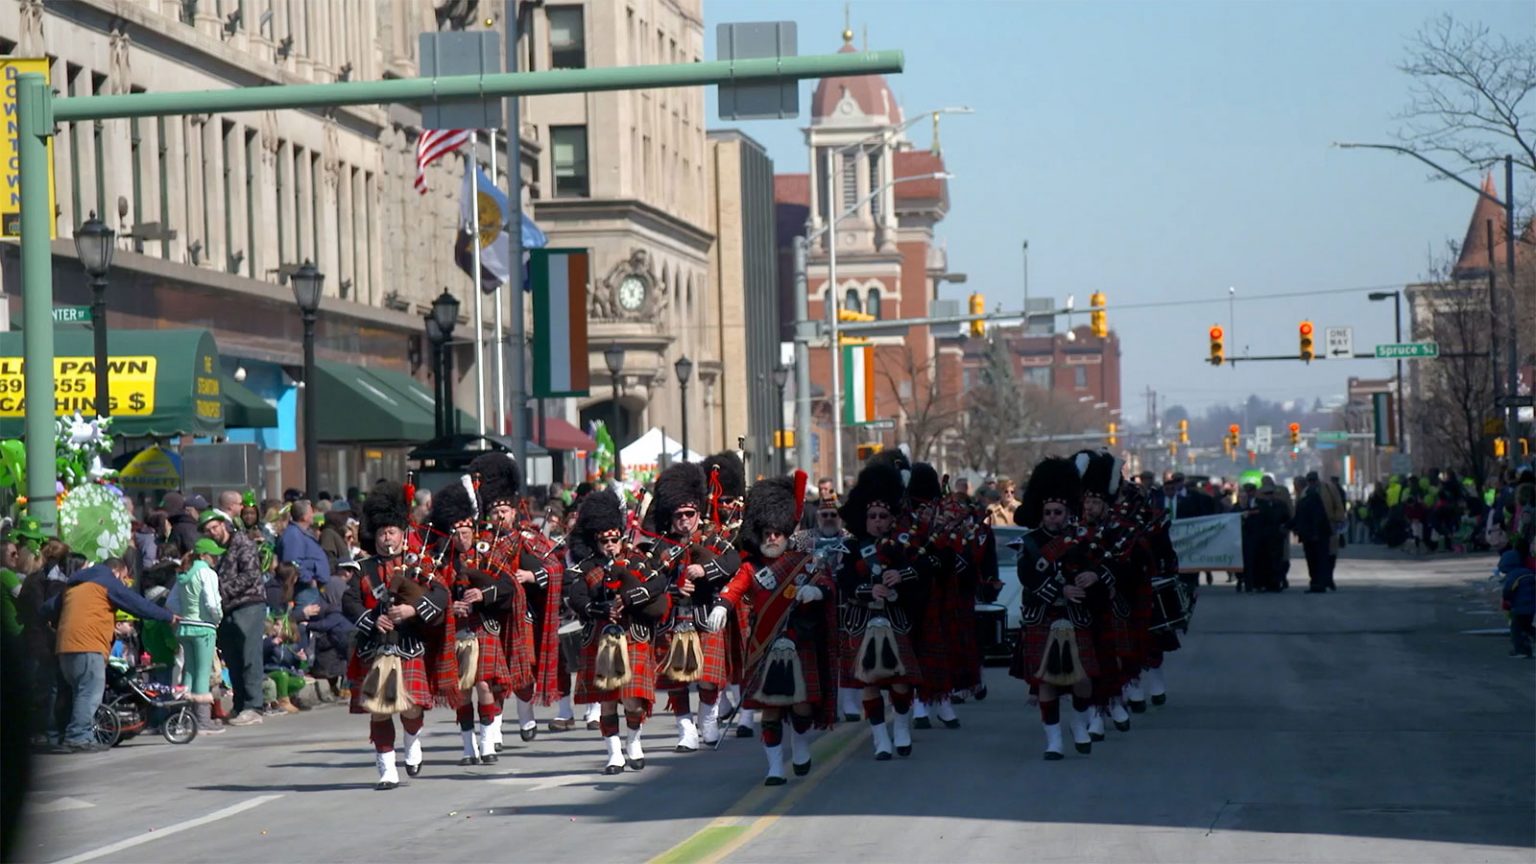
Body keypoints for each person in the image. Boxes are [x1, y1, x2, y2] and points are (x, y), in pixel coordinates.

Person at [344, 481, 458, 790]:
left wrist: (413, 610)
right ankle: (386, 770)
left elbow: (441, 594)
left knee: (411, 707)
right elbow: (350, 602)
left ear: (402, 533)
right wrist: (372, 619)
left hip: (408, 645)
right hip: (375, 648)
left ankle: (412, 741)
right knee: (380, 713)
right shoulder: (362, 567)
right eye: (381, 533)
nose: (385, 538)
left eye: (391, 532)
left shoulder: (418, 564)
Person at [739, 473, 839, 785]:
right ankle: (774, 768)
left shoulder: (805, 562)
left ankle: (800, 743)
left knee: (801, 705)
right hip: (766, 643)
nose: (771, 539)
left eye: (777, 533)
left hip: (800, 640)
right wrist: (721, 604)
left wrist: (817, 592)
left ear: (787, 534)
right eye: (766, 533)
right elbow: (734, 588)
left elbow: (828, 585)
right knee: (770, 710)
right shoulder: (752, 566)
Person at [569, 490, 669, 774]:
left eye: (614, 540)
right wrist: (600, 609)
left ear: (621, 537)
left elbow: (659, 582)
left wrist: (633, 595)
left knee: (632, 698)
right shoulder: (587, 566)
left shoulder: (637, 560)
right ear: (595, 540)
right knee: (608, 699)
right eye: (604, 541)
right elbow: (576, 598)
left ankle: (634, 743)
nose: (610, 545)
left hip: (633, 635)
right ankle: (614, 753)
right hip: (602, 638)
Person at [1010, 457, 1100, 760]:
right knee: (1046, 679)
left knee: (1083, 678)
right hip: (1043, 615)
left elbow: (1098, 567)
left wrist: (1093, 575)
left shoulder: (1083, 539)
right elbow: (1028, 576)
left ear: (1068, 512)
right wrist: (1061, 589)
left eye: (1058, 512)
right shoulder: (1031, 542)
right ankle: (1054, 741)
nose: (1052, 517)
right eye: (1047, 512)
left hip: (1075, 616)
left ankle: (1078, 721)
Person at [838, 458, 925, 761]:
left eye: (882, 515)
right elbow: (845, 582)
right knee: (870, 684)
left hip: (895, 620)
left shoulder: (902, 546)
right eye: (872, 515)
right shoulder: (850, 547)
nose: (877, 520)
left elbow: (921, 578)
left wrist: (901, 576)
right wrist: (867, 589)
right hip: (863, 621)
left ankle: (900, 727)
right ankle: (880, 738)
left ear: (891, 518)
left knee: (901, 681)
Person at [42, 558, 177, 752]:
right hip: (89, 645)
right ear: (116, 571)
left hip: (64, 646)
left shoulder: (73, 586)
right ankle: (78, 736)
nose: (123, 583)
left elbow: (46, 608)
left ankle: (59, 736)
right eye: (123, 578)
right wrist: (167, 616)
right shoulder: (106, 581)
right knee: (89, 693)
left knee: (74, 693)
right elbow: (137, 604)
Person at [432, 480, 517, 766]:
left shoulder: (487, 554)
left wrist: (483, 593)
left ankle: (488, 742)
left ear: (474, 530)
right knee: (463, 690)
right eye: (457, 533)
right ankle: (468, 747)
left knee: (483, 685)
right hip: (456, 630)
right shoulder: (440, 560)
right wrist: (448, 606)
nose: (462, 539)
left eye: (466, 533)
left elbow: (509, 587)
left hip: (484, 627)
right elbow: (427, 595)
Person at [204, 510, 267, 725]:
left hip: (249, 604)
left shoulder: (243, 543)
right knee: (233, 659)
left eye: (215, 527)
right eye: (208, 530)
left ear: (223, 524)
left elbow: (250, 575)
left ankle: (254, 706)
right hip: (227, 609)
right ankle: (240, 705)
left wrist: (219, 590)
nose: (213, 532)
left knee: (250, 656)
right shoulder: (216, 550)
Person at [167, 538, 225, 733]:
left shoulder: (183, 574)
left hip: (185, 627)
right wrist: (217, 618)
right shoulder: (207, 573)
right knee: (202, 671)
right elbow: (211, 601)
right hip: (204, 627)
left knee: (188, 671)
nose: (216, 558)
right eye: (213, 555)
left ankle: (182, 720)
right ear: (203, 555)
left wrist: (183, 615)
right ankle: (202, 720)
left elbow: (171, 602)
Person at [1491, 523, 1534, 658]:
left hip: (1520, 608)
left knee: (1516, 629)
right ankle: (1528, 645)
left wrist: (1507, 601)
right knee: (1527, 627)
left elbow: (1508, 591)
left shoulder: (1513, 576)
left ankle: (1521, 650)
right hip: (1532, 607)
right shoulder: (1528, 573)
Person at [1294, 473, 1336, 593]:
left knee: (1317, 559)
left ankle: (1319, 584)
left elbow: (1317, 516)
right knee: (1313, 560)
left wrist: (1315, 533)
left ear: (1298, 486)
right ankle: (1316, 583)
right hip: (1312, 535)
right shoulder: (1305, 496)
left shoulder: (1310, 496)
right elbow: (1299, 517)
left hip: (1316, 535)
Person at [278, 500, 332, 591]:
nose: (313, 515)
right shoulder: (293, 535)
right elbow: (292, 563)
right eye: (311, 512)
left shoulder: (301, 533)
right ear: (304, 517)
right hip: (303, 589)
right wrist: (309, 580)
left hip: (310, 588)